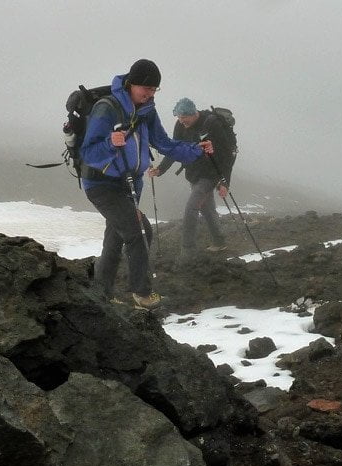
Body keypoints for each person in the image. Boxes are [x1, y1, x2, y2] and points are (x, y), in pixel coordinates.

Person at [80, 60, 213, 309]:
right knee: (140, 231)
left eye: (154, 89)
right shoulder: (106, 108)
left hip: (128, 184)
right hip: (100, 184)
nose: (150, 94)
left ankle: (101, 293)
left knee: (116, 236)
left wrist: (196, 150)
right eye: (146, 88)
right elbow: (88, 153)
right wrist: (111, 142)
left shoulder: (146, 111)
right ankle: (142, 294)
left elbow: (164, 143)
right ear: (131, 83)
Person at [148, 97, 234, 259]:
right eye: (179, 118)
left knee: (191, 208)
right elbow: (175, 150)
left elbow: (226, 155)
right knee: (207, 208)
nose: (181, 122)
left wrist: (224, 182)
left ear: (194, 113)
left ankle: (188, 252)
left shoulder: (211, 124)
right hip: (194, 174)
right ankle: (220, 241)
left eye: (184, 118)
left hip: (210, 174)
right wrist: (160, 169)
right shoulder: (180, 126)